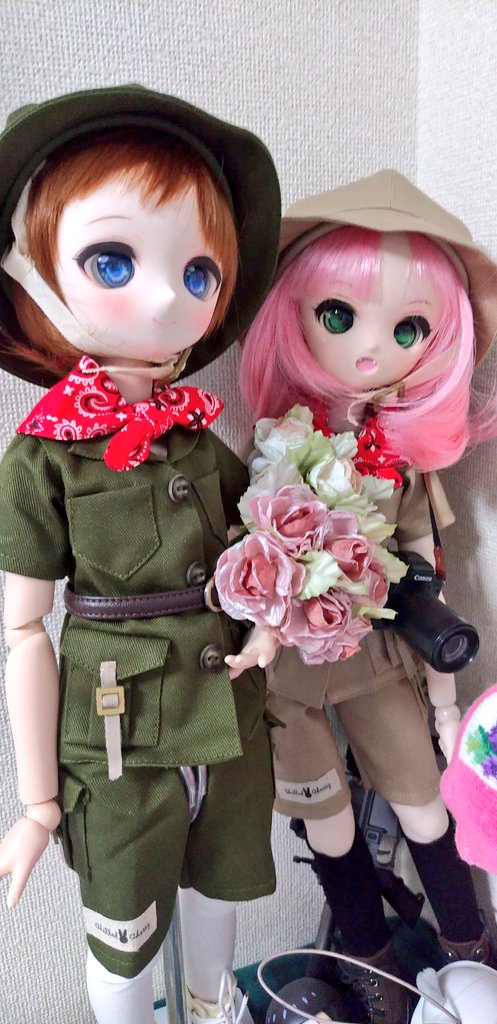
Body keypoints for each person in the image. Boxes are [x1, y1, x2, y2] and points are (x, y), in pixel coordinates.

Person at [0, 84, 281, 1024]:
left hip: (229, 715)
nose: (166, 295)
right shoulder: (43, 457)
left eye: (198, 272)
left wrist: (272, 628)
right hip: (116, 740)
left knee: (219, 900)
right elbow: (22, 631)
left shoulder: (200, 440)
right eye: (112, 259)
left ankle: (214, 1009)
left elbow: (260, 549)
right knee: (123, 936)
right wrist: (39, 803)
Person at [236, 170, 497, 1024]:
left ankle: (467, 951)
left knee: (424, 803)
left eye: (408, 328)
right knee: (330, 825)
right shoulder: (272, 446)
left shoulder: (398, 461)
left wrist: (445, 700)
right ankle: (368, 965)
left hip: (380, 657)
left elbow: (425, 570)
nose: (368, 348)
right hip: (290, 675)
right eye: (337, 314)